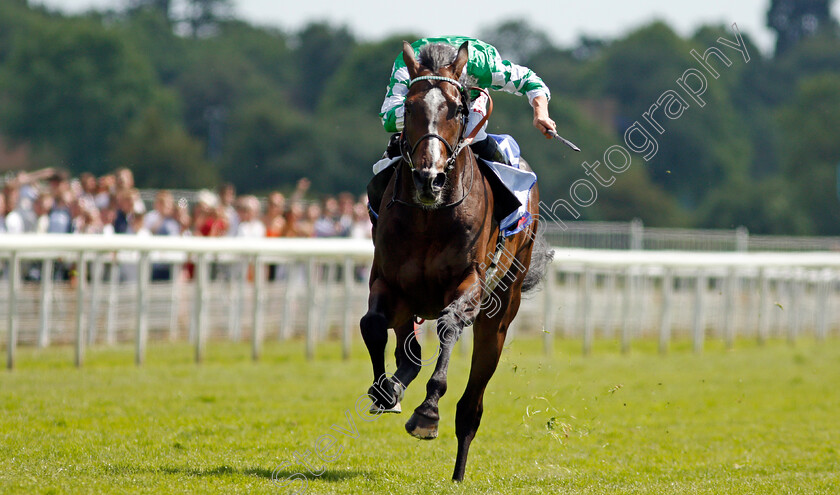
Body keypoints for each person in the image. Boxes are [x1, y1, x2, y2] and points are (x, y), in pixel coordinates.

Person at [369, 36, 557, 218]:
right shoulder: (405, 67)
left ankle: (510, 207)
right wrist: (426, 115)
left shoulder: (481, 63)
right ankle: (378, 213)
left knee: (471, 134)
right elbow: (388, 118)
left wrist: (541, 113)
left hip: (467, 98)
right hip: (423, 107)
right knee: (408, 137)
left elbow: (530, 80)